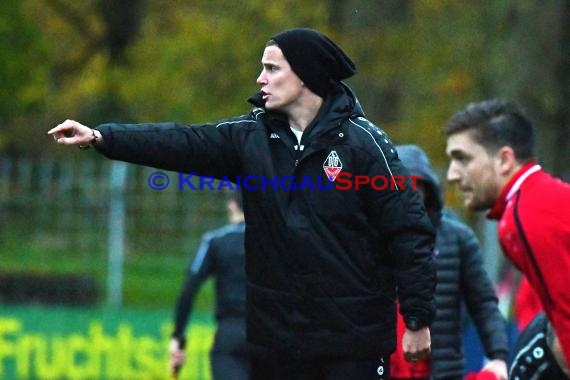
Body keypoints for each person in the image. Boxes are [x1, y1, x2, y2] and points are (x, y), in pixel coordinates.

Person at [48, 27, 437, 380]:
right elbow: (180, 143)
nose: (260, 79)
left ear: (305, 74)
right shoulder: (250, 136)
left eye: (271, 68)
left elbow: (409, 230)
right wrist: (102, 137)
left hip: (352, 344)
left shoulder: (364, 144)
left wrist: (417, 317)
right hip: (277, 342)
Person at [444, 99, 570, 379]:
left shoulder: (525, 215)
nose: (452, 174)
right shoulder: (541, 200)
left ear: (503, 160)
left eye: (462, 158)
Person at [390, 145, 508, 380]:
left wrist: (499, 356)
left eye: (415, 186)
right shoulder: (368, 238)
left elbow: (483, 302)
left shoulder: (457, 238)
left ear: (427, 189)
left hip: (442, 369)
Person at [169, 190, 248, 379]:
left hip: (230, 333)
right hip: (272, 336)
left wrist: (178, 337)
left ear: (232, 205)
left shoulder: (216, 241)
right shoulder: (277, 240)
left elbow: (189, 288)